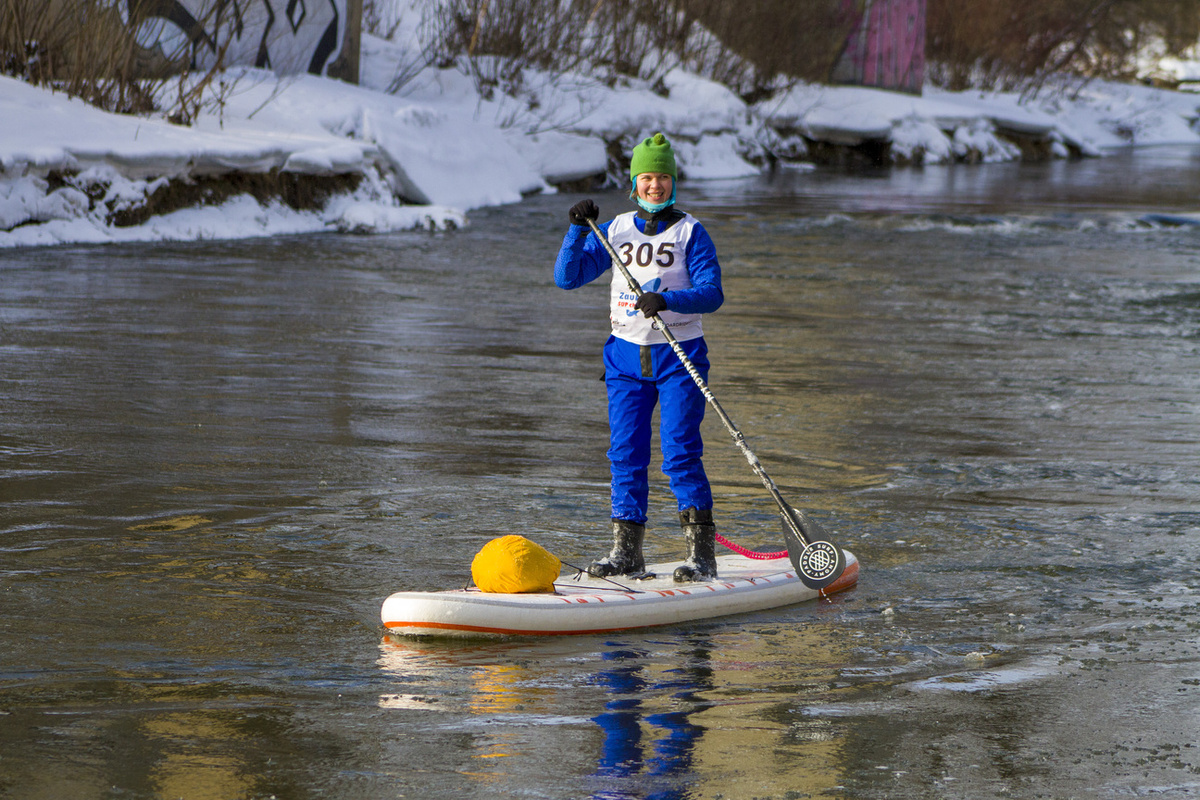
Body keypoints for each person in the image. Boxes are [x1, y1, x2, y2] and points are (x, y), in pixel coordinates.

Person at [553, 132, 724, 582]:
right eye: (647, 177)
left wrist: (668, 301)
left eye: (663, 177)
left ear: (672, 181)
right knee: (625, 453)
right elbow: (567, 278)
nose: (655, 186)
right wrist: (575, 229)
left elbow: (712, 294)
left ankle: (701, 557)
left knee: (679, 453)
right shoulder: (616, 228)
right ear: (634, 182)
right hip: (625, 360)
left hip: (678, 357)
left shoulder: (691, 231)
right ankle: (627, 553)